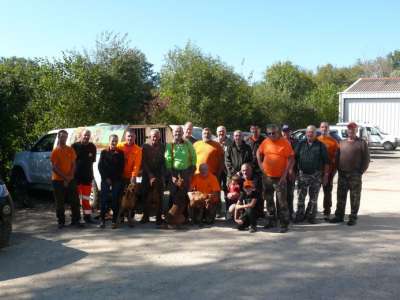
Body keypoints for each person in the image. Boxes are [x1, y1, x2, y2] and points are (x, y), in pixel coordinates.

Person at [330, 122, 370, 226]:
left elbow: (366, 160)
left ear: (356, 131)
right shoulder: (342, 143)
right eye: (349, 129)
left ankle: (353, 217)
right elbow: (337, 158)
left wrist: (360, 171)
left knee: (355, 197)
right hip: (342, 174)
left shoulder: (362, 143)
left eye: (353, 129)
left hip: (355, 175)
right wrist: (338, 169)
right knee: (340, 196)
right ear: (347, 131)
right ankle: (339, 216)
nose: (351, 131)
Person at [257, 124, 294, 233]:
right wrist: (261, 166)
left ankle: (283, 224)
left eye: (273, 133)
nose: (271, 135)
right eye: (269, 133)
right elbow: (258, 153)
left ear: (278, 132)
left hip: (280, 178)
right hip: (267, 177)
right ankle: (271, 221)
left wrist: (285, 175)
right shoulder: (266, 142)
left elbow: (291, 158)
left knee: (282, 202)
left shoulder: (285, 143)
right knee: (269, 200)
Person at [294, 125, 329, 224]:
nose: (310, 134)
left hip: (316, 175)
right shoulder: (300, 144)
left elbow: (326, 162)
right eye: (308, 132)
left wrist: (326, 176)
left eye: (312, 132)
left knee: (313, 198)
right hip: (302, 175)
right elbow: (294, 158)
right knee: (301, 197)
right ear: (306, 133)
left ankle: (311, 216)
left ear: (315, 134)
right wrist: (293, 171)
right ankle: (299, 215)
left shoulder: (321, 145)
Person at [50, 130, 82, 229]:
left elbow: (74, 164)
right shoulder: (55, 151)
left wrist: (70, 177)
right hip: (58, 180)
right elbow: (55, 168)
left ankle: (76, 220)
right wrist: (65, 178)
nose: (64, 139)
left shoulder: (70, 150)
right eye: (62, 137)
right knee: (60, 202)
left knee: (75, 200)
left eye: (65, 137)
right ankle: (61, 222)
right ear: (58, 138)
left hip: (70, 178)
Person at [165, 125, 197, 221]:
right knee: (173, 194)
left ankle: (185, 217)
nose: (178, 133)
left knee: (184, 194)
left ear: (182, 133)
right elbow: (168, 160)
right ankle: (170, 218)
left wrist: (191, 170)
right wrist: (171, 175)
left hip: (185, 172)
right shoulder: (170, 145)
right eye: (176, 132)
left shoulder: (188, 144)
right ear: (173, 133)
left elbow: (194, 156)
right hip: (173, 172)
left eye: (179, 132)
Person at [98, 134, 124, 229]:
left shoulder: (120, 153)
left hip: (116, 180)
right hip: (105, 180)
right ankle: (102, 220)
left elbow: (121, 168)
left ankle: (114, 220)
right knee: (104, 200)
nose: (114, 142)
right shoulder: (104, 152)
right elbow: (100, 167)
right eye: (112, 140)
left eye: (116, 141)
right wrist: (106, 178)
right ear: (109, 141)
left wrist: (113, 179)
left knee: (115, 200)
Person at [71, 129, 97, 224]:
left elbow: (92, 161)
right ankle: (76, 218)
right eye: (85, 135)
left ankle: (87, 217)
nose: (86, 137)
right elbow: (71, 162)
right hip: (76, 177)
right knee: (76, 199)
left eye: (88, 135)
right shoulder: (74, 146)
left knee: (86, 199)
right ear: (81, 135)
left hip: (87, 177)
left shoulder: (92, 147)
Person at [141, 129, 166, 225]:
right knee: (145, 195)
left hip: (159, 174)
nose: (155, 138)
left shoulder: (163, 147)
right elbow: (143, 162)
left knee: (160, 196)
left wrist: (162, 176)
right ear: (150, 137)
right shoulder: (145, 146)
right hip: (147, 174)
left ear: (159, 137)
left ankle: (159, 217)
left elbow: (164, 161)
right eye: (153, 136)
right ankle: (145, 216)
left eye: (156, 136)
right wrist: (150, 175)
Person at [317, 122, 340, 220]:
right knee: (314, 192)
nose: (324, 128)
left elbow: (336, 159)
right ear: (319, 128)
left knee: (327, 192)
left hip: (329, 171)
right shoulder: (316, 140)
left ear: (328, 129)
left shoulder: (334, 142)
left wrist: (333, 173)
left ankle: (327, 211)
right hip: (317, 172)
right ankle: (312, 211)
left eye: (326, 127)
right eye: (322, 127)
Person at [246, 125, 266, 218]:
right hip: (250, 171)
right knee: (250, 191)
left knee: (261, 192)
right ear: (250, 130)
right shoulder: (247, 140)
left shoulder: (264, 140)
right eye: (252, 129)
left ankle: (260, 211)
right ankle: (251, 212)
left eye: (256, 129)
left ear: (259, 130)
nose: (254, 131)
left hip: (261, 170)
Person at [215, 125, 233, 218]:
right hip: (216, 170)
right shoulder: (214, 142)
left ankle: (228, 211)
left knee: (227, 190)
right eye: (219, 131)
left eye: (223, 131)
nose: (221, 133)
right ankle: (217, 211)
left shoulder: (230, 142)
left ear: (226, 132)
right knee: (216, 190)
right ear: (216, 133)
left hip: (227, 171)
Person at [280, 124, 297, 220]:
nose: (285, 133)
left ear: (290, 132)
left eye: (287, 131)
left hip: (291, 172)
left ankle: (290, 213)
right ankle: (281, 214)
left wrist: (291, 170)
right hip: (280, 172)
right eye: (284, 131)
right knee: (281, 194)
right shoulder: (278, 142)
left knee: (290, 193)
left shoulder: (295, 142)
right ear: (281, 132)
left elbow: (294, 157)